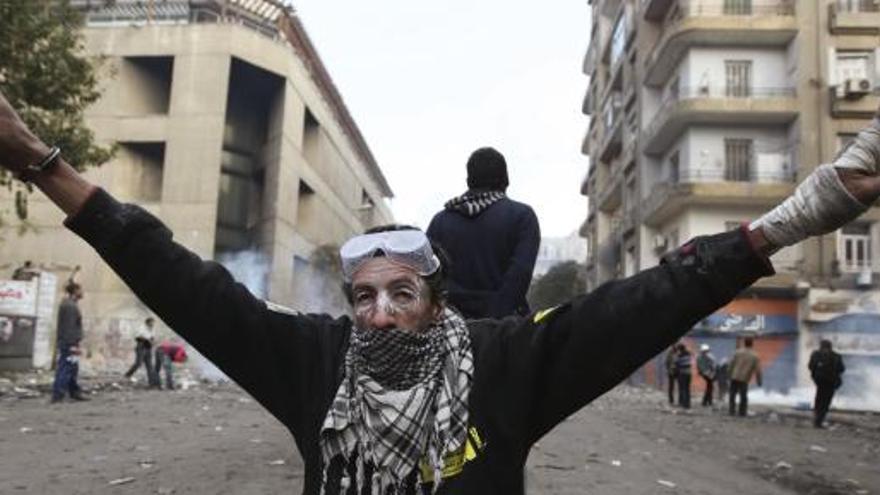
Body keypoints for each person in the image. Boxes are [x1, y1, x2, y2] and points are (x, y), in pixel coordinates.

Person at [1, 92, 879, 493]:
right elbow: (179, 279)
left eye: (403, 293)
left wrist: (800, 215)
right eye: (365, 297)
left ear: (434, 298)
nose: (382, 313)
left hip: (494, 335)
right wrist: (40, 161)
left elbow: (644, 302)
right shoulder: (317, 363)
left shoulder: (506, 371)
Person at [427, 147, 540, 319]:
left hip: (450, 326)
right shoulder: (522, 216)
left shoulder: (440, 221)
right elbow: (520, 275)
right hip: (505, 329)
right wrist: (493, 320)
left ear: (468, 180)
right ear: (506, 180)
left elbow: (430, 276)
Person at [50, 282, 88, 403]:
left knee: (72, 368)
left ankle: (74, 392)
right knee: (65, 368)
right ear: (75, 291)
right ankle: (58, 395)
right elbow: (69, 327)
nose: (83, 292)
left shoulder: (70, 304)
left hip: (71, 342)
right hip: (69, 343)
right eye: (81, 290)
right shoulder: (70, 306)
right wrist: (72, 345)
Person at [808, 339, 845, 428]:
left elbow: (811, 366)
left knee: (820, 401)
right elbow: (842, 369)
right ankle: (818, 421)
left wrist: (816, 374)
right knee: (824, 402)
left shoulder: (816, 355)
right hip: (829, 382)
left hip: (822, 382)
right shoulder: (836, 356)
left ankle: (817, 421)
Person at [728, 337, 762, 417]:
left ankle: (731, 411)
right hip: (744, 378)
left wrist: (729, 374)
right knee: (743, 396)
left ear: (744, 343)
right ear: (752, 344)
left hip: (734, 376)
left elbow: (731, 364)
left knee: (732, 394)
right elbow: (758, 370)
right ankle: (742, 412)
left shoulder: (737, 352)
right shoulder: (755, 356)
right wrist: (759, 381)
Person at [124, 316, 156, 385]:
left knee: (149, 365)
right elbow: (138, 337)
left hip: (148, 348)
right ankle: (128, 374)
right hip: (141, 347)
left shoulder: (152, 329)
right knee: (138, 363)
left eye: (153, 323)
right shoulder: (142, 328)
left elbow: (152, 337)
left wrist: (152, 341)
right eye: (151, 322)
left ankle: (151, 382)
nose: (153, 324)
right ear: (147, 322)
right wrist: (147, 340)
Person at [674, 343, 693, 409]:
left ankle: (684, 404)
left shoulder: (680, 355)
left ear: (680, 349)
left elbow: (676, 364)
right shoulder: (689, 354)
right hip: (689, 373)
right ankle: (688, 404)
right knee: (687, 389)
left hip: (682, 374)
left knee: (683, 389)